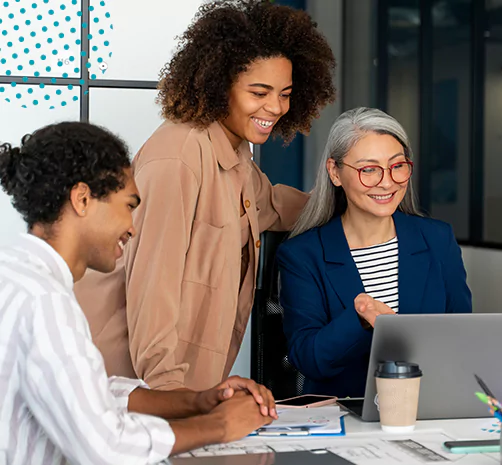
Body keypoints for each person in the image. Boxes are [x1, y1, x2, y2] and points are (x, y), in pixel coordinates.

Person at [74, 0, 337, 391]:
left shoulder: (234, 153)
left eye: (285, 93)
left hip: (184, 386)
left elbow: (272, 206)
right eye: (259, 92)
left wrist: (350, 195)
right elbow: (152, 284)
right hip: (128, 384)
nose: (276, 107)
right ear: (219, 84)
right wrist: (169, 394)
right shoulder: (179, 156)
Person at [0, 122, 279, 465]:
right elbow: (104, 447)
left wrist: (198, 400)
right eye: (128, 206)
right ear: (82, 199)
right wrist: (219, 426)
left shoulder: (17, 275)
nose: (133, 226)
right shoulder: (45, 303)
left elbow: (89, 394)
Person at [277, 108, 472, 398]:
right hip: (345, 413)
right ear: (335, 172)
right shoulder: (303, 255)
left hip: (429, 408)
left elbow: (462, 335)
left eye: (397, 166)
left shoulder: (436, 239)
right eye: (369, 169)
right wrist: (359, 318)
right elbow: (309, 359)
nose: (387, 182)